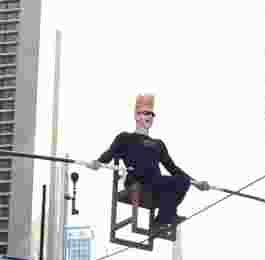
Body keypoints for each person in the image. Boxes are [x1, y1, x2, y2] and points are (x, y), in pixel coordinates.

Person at [87, 94, 209, 231]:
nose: (149, 117)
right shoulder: (125, 137)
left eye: (151, 114)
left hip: (156, 183)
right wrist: (97, 162)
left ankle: (162, 219)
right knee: (170, 182)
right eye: (145, 113)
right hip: (137, 182)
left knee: (182, 180)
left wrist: (196, 183)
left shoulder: (158, 144)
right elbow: (109, 154)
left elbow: (173, 168)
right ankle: (167, 216)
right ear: (136, 116)